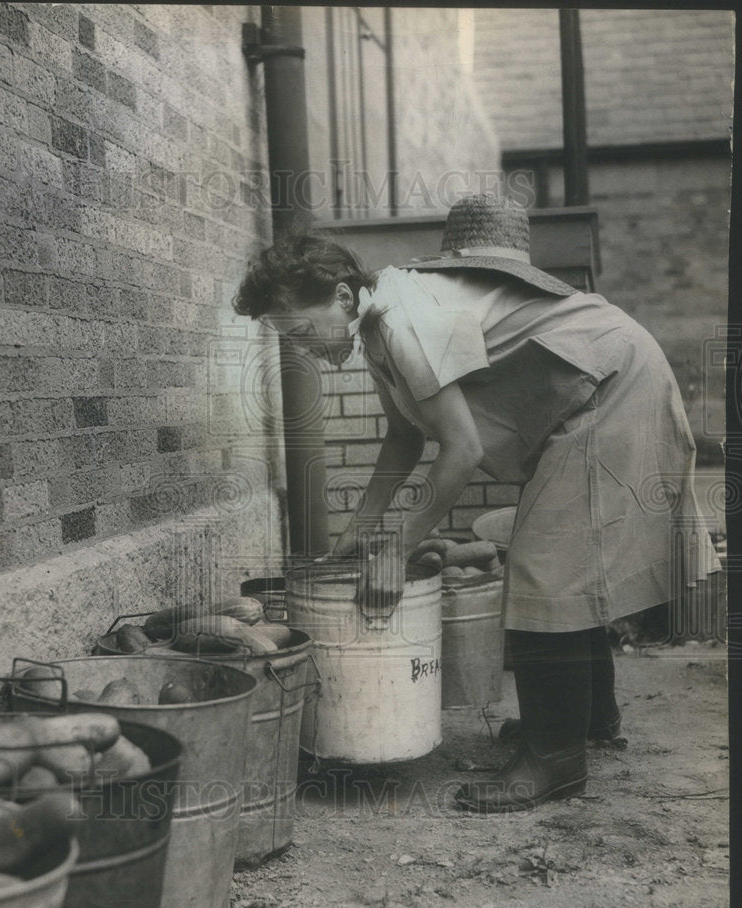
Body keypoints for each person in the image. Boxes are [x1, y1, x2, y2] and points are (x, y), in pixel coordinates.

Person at [232, 193, 720, 813]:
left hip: (614, 386)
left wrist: (398, 550)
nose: (302, 347)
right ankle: (587, 720)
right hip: (602, 379)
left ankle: (556, 761)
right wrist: (362, 525)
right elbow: (406, 437)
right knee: (565, 560)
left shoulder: (399, 320)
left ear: (342, 297)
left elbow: (459, 451)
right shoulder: (381, 320)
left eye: (300, 330)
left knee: (545, 566)